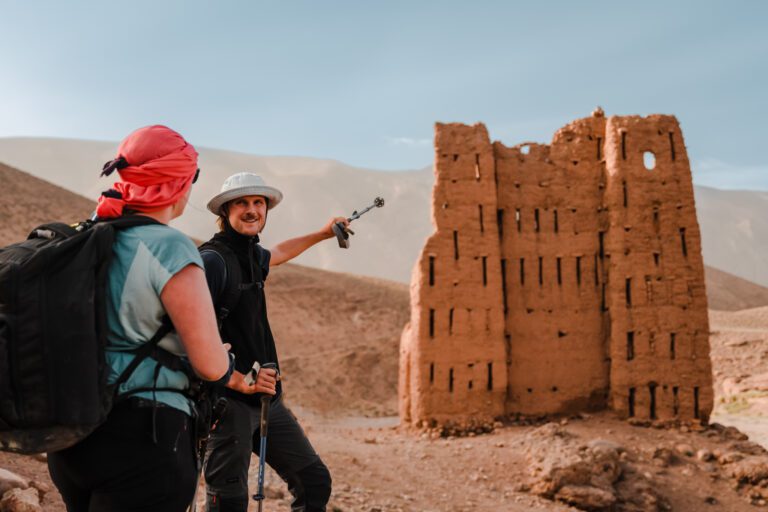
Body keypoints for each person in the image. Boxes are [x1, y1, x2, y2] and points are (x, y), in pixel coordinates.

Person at [47, 126, 267, 512]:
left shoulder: (85, 238)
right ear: (179, 182)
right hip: (143, 438)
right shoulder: (170, 247)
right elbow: (211, 364)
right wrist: (226, 359)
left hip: (70, 435)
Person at [201, 173, 345, 512]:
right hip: (227, 402)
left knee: (314, 482)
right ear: (225, 211)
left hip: (267, 401)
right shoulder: (212, 260)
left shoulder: (252, 254)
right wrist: (238, 379)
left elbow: (278, 252)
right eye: (242, 203)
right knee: (228, 502)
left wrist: (324, 234)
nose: (252, 210)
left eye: (258, 203)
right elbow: (189, 332)